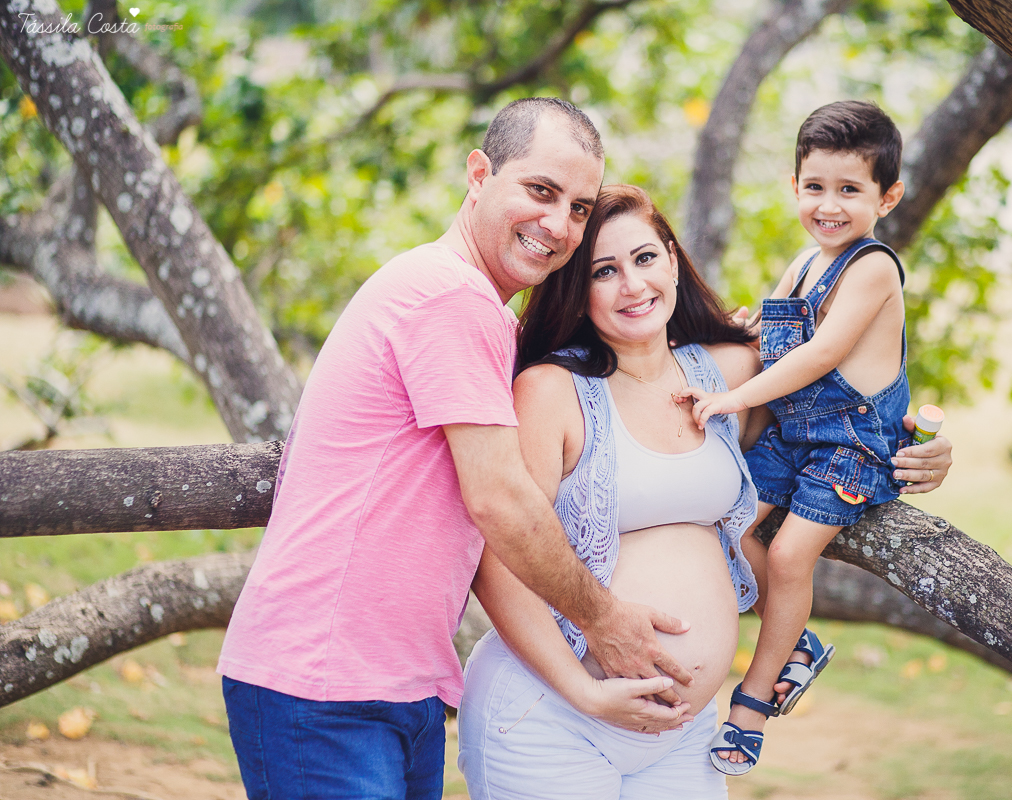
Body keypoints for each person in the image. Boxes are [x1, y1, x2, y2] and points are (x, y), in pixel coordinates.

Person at [215, 99, 694, 800]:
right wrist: (604, 622)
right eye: (539, 191)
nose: (558, 225)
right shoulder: (449, 298)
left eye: (579, 207)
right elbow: (499, 496)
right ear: (479, 173)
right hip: (322, 687)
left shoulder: (475, 310)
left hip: (392, 687)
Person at [457, 183, 952, 798]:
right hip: (554, 715)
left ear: (670, 257)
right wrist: (582, 689)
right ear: (575, 290)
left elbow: (847, 418)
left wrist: (924, 450)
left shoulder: (729, 372)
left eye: (643, 259)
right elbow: (498, 557)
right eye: (603, 271)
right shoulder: (551, 390)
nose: (633, 286)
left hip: (687, 736)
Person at [678, 100, 917, 774]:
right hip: (792, 434)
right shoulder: (804, 263)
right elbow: (764, 338)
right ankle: (797, 643)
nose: (828, 205)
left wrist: (732, 399)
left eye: (850, 190)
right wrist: (729, 334)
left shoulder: (872, 268)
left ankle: (752, 704)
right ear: (794, 187)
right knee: (728, 526)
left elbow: (814, 358)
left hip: (851, 446)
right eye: (815, 187)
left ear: (887, 196)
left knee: (787, 559)